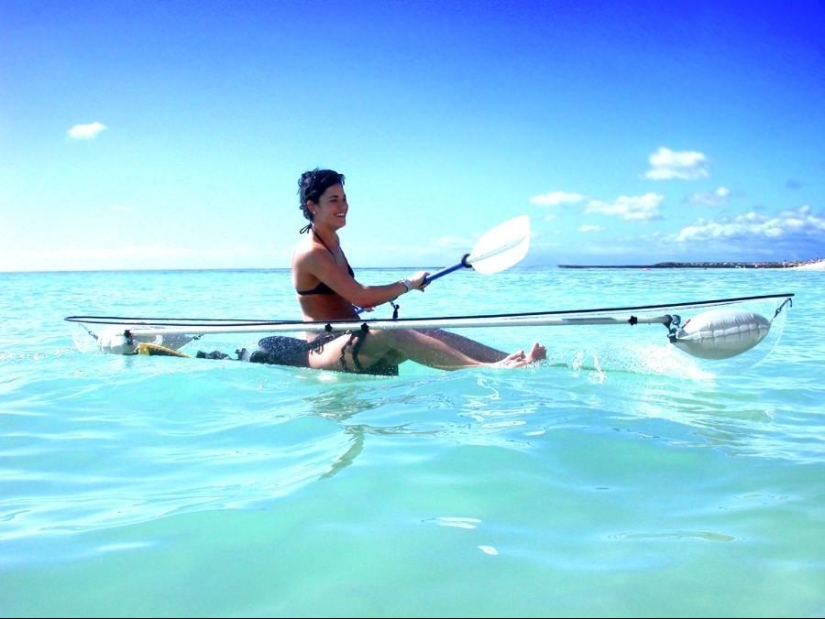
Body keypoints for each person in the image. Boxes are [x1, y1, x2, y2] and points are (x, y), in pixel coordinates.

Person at [283, 167, 546, 375]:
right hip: (323, 349)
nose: (343, 206)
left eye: (344, 198)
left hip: (351, 336)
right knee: (390, 330)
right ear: (312, 206)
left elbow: (347, 296)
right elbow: (362, 296)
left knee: (423, 329)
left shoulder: (333, 243)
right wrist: (407, 284)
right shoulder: (311, 251)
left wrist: (369, 298)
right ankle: (491, 369)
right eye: (333, 200)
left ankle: (512, 359)